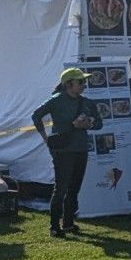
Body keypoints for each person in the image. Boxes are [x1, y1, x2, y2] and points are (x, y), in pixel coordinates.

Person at [30, 66, 101, 236]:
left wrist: (89, 123)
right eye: (81, 81)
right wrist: (45, 138)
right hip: (62, 150)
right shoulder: (56, 100)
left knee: (74, 188)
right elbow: (36, 115)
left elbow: (99, 123)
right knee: (61, 188)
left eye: (85, 81)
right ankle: (54, 226)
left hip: (81, 148)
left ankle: (68, 223)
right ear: (69, 84)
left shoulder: (87, 102)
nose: (84, 84)